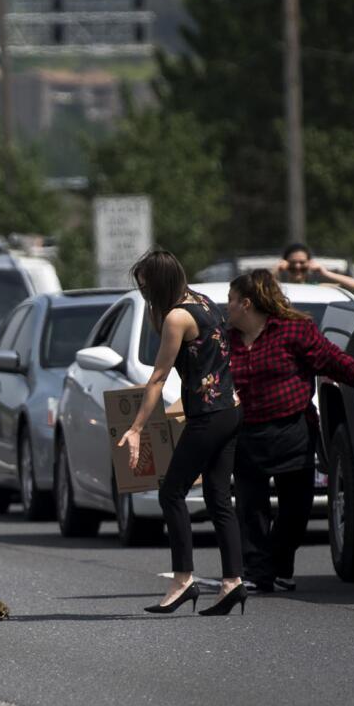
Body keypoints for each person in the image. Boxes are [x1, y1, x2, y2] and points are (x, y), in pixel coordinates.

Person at [227, 270, 354, 592]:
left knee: (296, 509)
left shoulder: (294, 331)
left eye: (230, 301)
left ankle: (279, 563)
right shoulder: (226, 340)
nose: (226, 308)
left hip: (291, 429)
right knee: (250, 509)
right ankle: (258, 573)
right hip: (245, 435)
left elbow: (329, 358)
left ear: (246, 303)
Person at [117, 249, 247, 616]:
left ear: (159, 285)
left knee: (171, 492)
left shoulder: (176, 317)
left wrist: (137, 428)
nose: (144, 295)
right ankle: (232, 583)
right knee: (219, 497)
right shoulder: (201, 300)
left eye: (145, 288)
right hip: (231, 409)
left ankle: (182, 580)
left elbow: (158, 377)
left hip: (208, 416)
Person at [276, 243, 354, 292]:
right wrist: (276, 270)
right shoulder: (278, 288)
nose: (297, 266)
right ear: (285, 263)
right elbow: (262, 287)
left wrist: (325, 273)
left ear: (309, 263)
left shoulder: (318, 288)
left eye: (302, 263)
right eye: (292, 263)